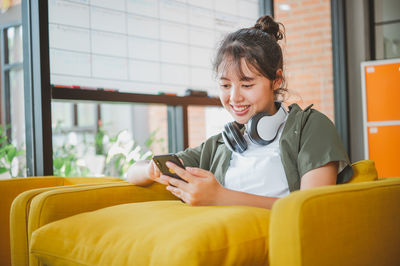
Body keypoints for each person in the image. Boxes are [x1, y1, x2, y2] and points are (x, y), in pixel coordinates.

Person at [126, 15, 353, 209]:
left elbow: (311, 207)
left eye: (247, 84)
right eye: (225, 86)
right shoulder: (220, 145)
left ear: (276, 80)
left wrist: (220, 197)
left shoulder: (311, 127)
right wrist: (150, 169)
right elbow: (132, 172)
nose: (234, 97)